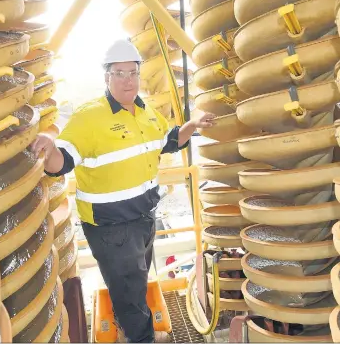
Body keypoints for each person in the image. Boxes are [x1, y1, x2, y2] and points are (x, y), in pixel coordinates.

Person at [30, 39, 215, 343]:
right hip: (112, 227)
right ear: (107, 77)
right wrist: (49, 148)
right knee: (131, 296)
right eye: (119, 73)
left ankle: (129, 326)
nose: (128, 81)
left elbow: (168, 141)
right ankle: (140, 338)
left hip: (143, 219)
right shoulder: (89, 117)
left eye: (133, 73)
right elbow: (61, 161)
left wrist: (192, 124)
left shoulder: (146, 112)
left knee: (134, 286)